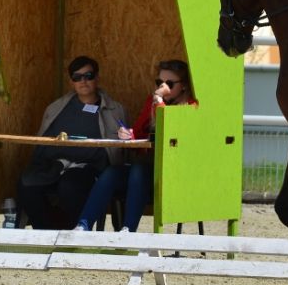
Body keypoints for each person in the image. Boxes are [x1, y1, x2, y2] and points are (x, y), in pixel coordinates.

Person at [74, 59, 197, 232]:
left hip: (173, 176)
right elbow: (138, 133)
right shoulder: (152, 102)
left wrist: (158, 100)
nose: (163, 87)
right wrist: (128, 134)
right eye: (159, 82)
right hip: (147, 170)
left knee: (138, 169)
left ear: (183, 86)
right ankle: (83, 225)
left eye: (169, 84)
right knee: (112, 172)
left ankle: (128, 230)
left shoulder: (191, 106)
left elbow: (170, 132)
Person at [16, 55, 127, 229]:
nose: (83, 81)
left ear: (97, 77)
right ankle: (46, 232)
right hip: (57, 164)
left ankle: (71, 232)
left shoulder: (114, 110)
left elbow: (121, 150)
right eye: (77, 77)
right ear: (71, 81)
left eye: (88, 76)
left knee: (70, 185)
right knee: (26, 183)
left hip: (92, 168)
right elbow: (43, 144)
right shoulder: (56, 108)